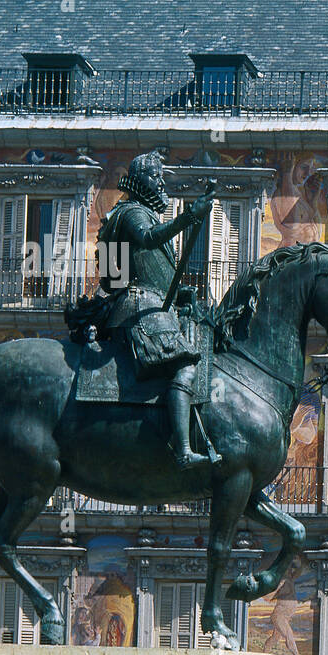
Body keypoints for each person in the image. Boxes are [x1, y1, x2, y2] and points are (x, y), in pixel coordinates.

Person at [94, 150, 213, 468]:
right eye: (157, 176)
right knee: (185, 365)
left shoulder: (131, 213)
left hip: (150, 302)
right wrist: (189, 217)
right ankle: (182, 449)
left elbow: (131, 271)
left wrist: (179, 293)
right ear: (141, 180)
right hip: (141, 306)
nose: (162, 183)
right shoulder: (133, 212)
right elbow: (146, 241)